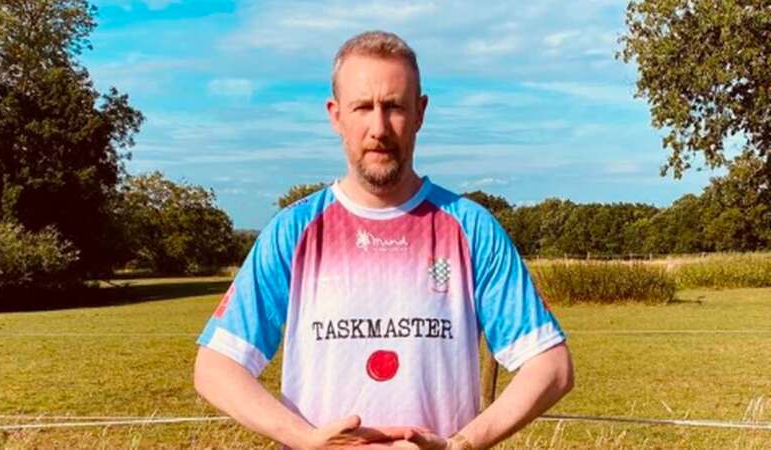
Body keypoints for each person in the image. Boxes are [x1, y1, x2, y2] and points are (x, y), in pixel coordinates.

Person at [194, 30, 574, 450]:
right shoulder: (293, 230)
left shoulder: (472, 228)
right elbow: (215, 366)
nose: (378, 127)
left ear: (420, 113)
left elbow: (551, 366)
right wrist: (304, 440)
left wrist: (461, 444)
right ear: (336, 115)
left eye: (394, 107)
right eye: (362, 107)